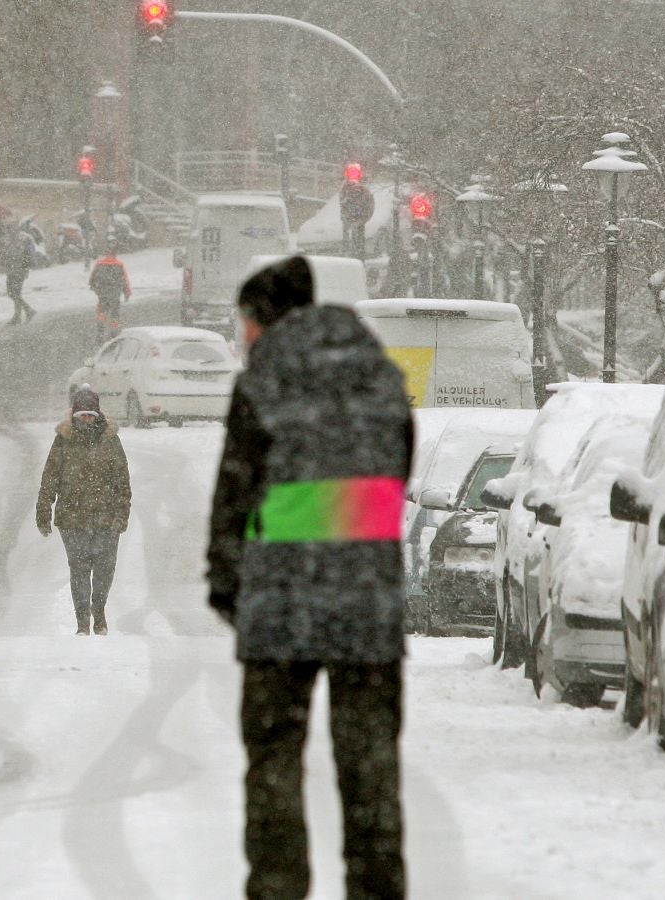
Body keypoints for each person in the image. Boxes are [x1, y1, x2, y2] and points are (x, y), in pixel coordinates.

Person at [206, 255, 413, 900]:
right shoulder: (381, 376)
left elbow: (235, 491)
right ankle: (377, 888)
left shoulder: (263, 383)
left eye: (245, 323)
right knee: (370, 767)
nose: (244, 337)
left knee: (273, 762)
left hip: (279, 604)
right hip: (367, 606)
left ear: (266, 319)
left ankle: (278, 887)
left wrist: (227, 583)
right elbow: (399, 470)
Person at [35, 385, 131, 635]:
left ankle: (99, 611)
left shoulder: (110, 440)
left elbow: (122, 481)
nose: (86, 419)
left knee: (105, 568)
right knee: (79, 568)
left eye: (90, 415)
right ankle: (82, 622)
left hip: (107, 517)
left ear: (97, 415)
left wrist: (122, 514)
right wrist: (44, 509)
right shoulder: (63, 440)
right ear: (75, 415)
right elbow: (50, 477)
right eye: (82, 415)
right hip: (72, 517)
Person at [89, 250, 131, 342]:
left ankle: (100, 327)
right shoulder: (119, 265)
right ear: (115, 255)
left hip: (102, 293)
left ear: (106, 255)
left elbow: (92, 279)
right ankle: (114, 331)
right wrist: (127, 292)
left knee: (102, 310)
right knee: (115, 313)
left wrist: (96, 289)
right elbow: (125, 280)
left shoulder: (99, 264)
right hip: (115, 294)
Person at [6, 232, 37, 325]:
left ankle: (21, 314)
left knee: (14, 293)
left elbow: (28, 259)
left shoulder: (26, 243)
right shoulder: (18, 243)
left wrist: (23, 269)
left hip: (18, 272)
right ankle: (22, 313)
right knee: (13, 293)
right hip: (13, 271)